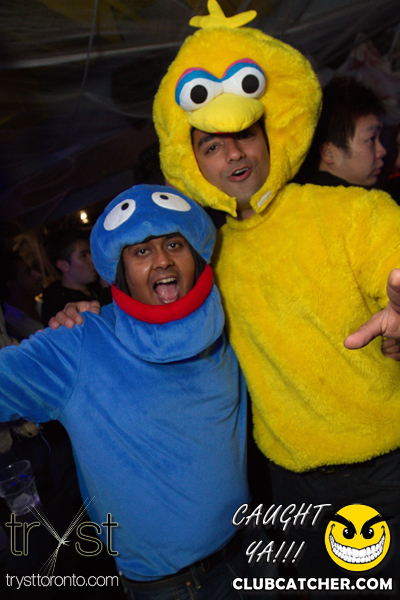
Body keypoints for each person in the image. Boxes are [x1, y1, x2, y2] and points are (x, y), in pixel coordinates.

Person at [51, 1, 400, 586]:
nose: (233, 154)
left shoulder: (353, 213)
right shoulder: (207, 256)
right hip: (288, 487)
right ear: (193, 163)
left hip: (383, 471)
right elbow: (152, 315)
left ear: (270, 135)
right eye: (212, 145)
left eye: (244, 134)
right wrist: (88, 318)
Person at [0, 183, 275, 599]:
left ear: (195, 254)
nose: (162, 260)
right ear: (121, 270)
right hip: (172, 589)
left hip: (252, 554)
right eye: (142, 251)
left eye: (174, 244)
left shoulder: (227, 315)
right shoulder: (81, 341)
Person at [294, 76, 387, 188]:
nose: (382, 151)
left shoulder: (302, 192)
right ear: (328, 152)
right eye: (371, 139)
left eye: (380, 138)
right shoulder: (350, 198)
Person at [41, 229, 105, 324]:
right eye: (83, 255)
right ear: (64, 265)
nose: (92, 260)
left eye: (91, 253)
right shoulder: (57, 306)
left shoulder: (96, 286)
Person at [0, 250, 43, 341]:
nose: (38, 275)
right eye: (28, 272)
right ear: (12, 285)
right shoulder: (8, 326)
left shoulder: (44, 305)